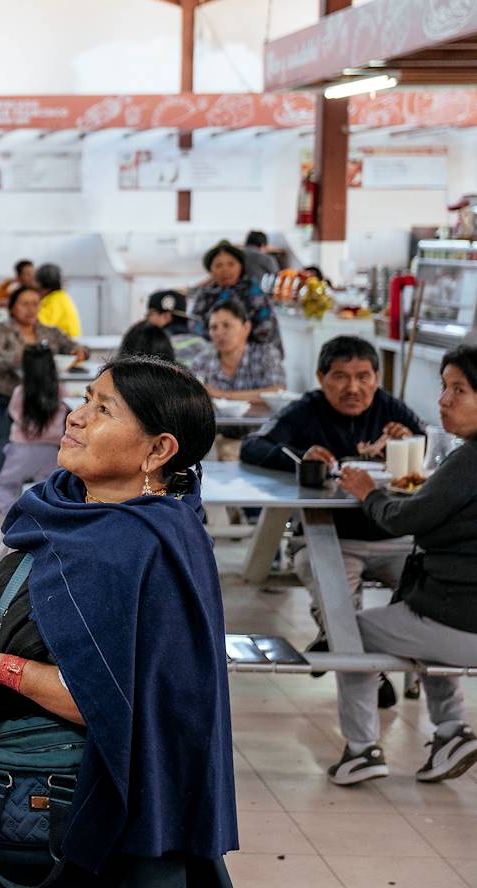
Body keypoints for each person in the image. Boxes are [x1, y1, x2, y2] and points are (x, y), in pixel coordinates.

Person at [0, 357, 235, 885]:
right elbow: (14, 578)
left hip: (74, 801)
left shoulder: (151, 550)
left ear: (158, 450)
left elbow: (109, 699)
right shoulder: (58, 502)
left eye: (103, 409)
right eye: (85, 399)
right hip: (3, 780)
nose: (76, 416)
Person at [241, 336, 424, 703]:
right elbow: (253, 446)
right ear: (321, 377)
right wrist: (298, 457)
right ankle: (371, 672)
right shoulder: (305, 410)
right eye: (340, 377)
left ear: (377, 377)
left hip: (395, 539)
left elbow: (429, 460)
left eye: (363, 377)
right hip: (331, 538)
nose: (353, 388)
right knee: (334, 592)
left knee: (425, 591)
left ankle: (342, 643)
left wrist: (411, 445)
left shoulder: (393, 413)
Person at [327, 346, 477, 786]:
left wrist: (366, 492)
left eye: (459, 390)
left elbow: (405, 519)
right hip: (454, 614)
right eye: (444, 387)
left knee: (349, 632)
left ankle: (361, 748)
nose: (444, 401)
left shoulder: (469, 459)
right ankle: (451, 732)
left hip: (462, 621)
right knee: (415, 623)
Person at [0, 285, 83, 511]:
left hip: (42, 398)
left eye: (35, 303)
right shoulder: (2, 330)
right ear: (13, 306)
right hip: (3, 398)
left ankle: (44, 493)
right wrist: (21, 357)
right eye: (24, 304)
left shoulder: (48, 332)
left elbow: (72, 344)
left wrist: (77, 350)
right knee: (2, 439)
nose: (30, 309)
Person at [0, 345, 67, 516]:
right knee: (48, 490)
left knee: (6, 484)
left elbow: (13, 415)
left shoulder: (20, 392)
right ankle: (45, 521)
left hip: (22, 450)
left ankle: (12, 522)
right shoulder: (59, 392)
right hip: (52, 451)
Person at [189, 240, 281, 352]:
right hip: (213, 351)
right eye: (218, 265)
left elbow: (266, 326)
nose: (225, 270)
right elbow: (194, 323)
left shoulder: (253, 291)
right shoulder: (205, 294)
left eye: (231, 264)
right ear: (211, 271)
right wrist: (218, 341)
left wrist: (237, 346)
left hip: (253, 352)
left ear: (240, 267)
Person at [190, 299, 284, 403]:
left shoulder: (266, 354)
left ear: (246, 328)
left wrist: (221, 395)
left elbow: (277, 392)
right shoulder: (201, 361)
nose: (219, 333)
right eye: (214, 327)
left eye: (227, 325)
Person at [146, 287, 206, 363]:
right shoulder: (201, 343)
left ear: (166, 317)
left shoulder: (155, 346)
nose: (147, 318)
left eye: (150, 314)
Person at [33, 263, 81, 338]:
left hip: (65, 345)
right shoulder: (59, 297)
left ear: (42, 285)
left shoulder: (55, 300)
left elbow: (38, 324)